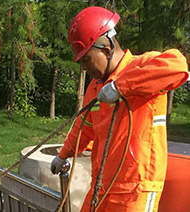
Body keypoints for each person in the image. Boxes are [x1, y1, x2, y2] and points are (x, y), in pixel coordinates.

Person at [50, 6, 189, 212]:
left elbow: (178, 66)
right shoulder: (96, 87)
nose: (85, 68)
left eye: (86, 60)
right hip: (102, 184)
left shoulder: (141, 66)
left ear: (106, 50)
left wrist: (120, 86)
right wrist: (63, 154)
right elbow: (83, 127)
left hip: (136, 187)